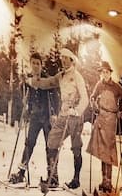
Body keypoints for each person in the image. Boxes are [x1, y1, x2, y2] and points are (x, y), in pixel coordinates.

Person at [29, 47, 88, 188]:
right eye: (62, 58)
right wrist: (34, 81)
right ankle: (53, 178)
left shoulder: (77, 76)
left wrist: (77, 111)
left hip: (74, 117)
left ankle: (76, 179)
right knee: (52, 141)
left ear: (71, 60)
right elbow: (48, 83)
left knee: (76, 147)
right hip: (63, 115)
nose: (63, 60)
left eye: (66, 58)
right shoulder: (61, 76)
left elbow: (85, 99)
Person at [9, 52, 59, 185]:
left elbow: (55, 98)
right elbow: (24, 96)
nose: (36, 66)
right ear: (30, 64)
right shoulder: (28, 80)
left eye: (38, 63)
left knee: (51, 146)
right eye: (33, 63)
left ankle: (53, 176)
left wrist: (55, 113)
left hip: (47, 118)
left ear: (41, 65)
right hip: (35, 117)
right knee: (29, 143)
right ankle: (21, 172)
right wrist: (22, 85)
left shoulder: (47, 80)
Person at [87, 61, 122, 193]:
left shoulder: (116, 86)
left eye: (106, 72)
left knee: (109, 149)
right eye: (103, 72)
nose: (104, 74)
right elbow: (93, 97)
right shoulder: (99, 84)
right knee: (102, 150)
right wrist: (94, 104)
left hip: (111, 120)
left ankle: (109, 181)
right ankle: (104, 179)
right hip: (101, 118)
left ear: (110, 73)